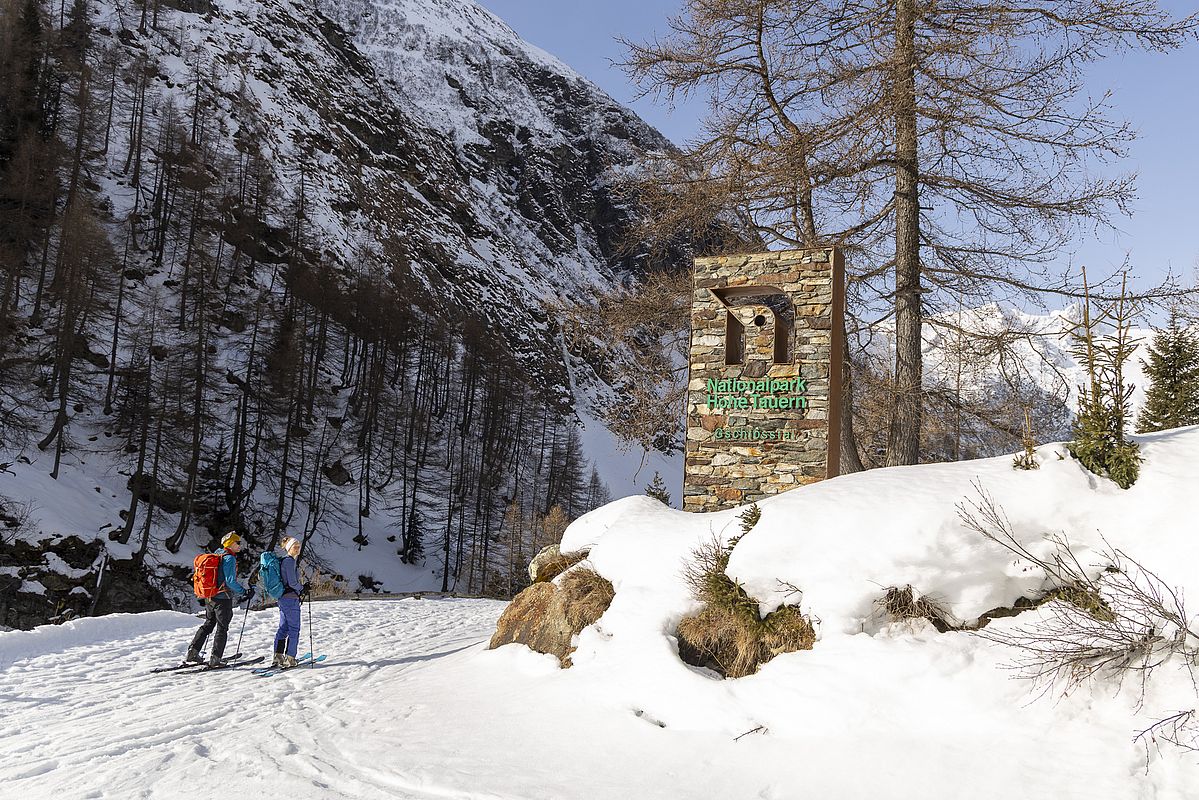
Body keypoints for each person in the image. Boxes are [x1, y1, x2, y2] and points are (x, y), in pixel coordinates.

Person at [187, 532, 254, 667]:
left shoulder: (218, 554)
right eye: (238, 543)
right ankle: (216, 658)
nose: (240, 545)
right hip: (223, 598)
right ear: (231, 544)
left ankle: (193, 652)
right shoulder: (229, 559)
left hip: (210, 596)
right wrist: (244, 591)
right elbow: (230, 581)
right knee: (222, 628)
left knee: (208, 624)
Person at [272, 536, 308, 668]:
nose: (297, 548)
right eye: (295, 546)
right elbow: (292, 582)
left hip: (283, 598)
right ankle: (290, 658)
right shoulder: (289, 562)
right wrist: (302, 588)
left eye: (298, 546)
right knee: (294, 628)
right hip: (290, 599)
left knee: (284, 628)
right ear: (289, 548)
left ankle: (278, 657)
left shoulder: (285, 561)